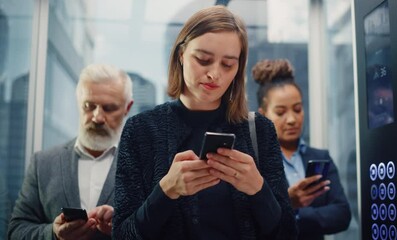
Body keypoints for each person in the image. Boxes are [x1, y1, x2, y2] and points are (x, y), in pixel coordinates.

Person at [113, 5, 297, 240]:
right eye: (203, 59)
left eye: (228, 64)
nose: (214, 74)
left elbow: (288, 233)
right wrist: (166, 191)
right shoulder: (141, 130)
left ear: (238, 68)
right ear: (181, 55)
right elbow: (122, 235)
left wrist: (258, 189)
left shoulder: (259, 130)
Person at [8, 64, 134, 240]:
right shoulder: (42, 163)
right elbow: (16, 230)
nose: (97, 117)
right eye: (89, 106)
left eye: (109, 108)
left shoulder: (143, 165)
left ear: (128, 108)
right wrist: (53, 233)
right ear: (78, 102)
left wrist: (121, 229)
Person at [252, 59, 351, 240]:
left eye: (297, 109)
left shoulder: (320, 157)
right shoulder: (255, 163)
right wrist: (289, 203)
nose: (291, 119)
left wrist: (293, 213)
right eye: (281, 112)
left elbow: (342, 214)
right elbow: (252, 222)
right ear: (263, 114)